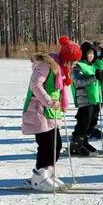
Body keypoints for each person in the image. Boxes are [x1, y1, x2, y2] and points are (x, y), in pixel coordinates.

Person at [22, 52, 72, 191]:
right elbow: (35, 85)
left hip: (50, 112)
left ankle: (47, 174)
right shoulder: (46, 65)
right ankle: (39, 179)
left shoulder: (59, 68)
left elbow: (59, 91)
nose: (72, 65)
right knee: (46, 145)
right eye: (72, 61)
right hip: (38, 110)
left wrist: (61, 104)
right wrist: (49, 102)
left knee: (56, 144)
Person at [70, 41, 103, 156]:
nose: (91, 56)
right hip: (84, 98)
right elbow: (78, 82)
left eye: (93, 54)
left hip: (94, 98)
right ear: (83, 53)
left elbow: (97, 79)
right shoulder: (77, 66)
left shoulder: (92, 66)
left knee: (92, 121)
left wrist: (102, 77)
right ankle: (76, 143)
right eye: (89, 53)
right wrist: (94, 77)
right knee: (84, 122)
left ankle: (84, 141)